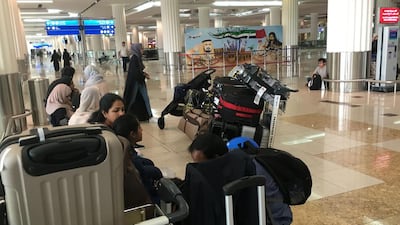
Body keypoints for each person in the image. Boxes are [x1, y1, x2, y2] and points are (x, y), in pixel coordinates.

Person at [113, 114, 163, 204]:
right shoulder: (133, 162)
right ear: (132, 134)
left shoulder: (122, 150)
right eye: (139, 127)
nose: (142, 130)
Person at [123, 43, 153, 122]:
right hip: (135, 84)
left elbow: (137, 71)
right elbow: (135, 73)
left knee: (139, 99)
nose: (142, 50)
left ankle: (142, 116)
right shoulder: (134, 58)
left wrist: (143, 74)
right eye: (141, 48)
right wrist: (143, 76)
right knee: (136, 99)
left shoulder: (136, 57)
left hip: (137, 83)